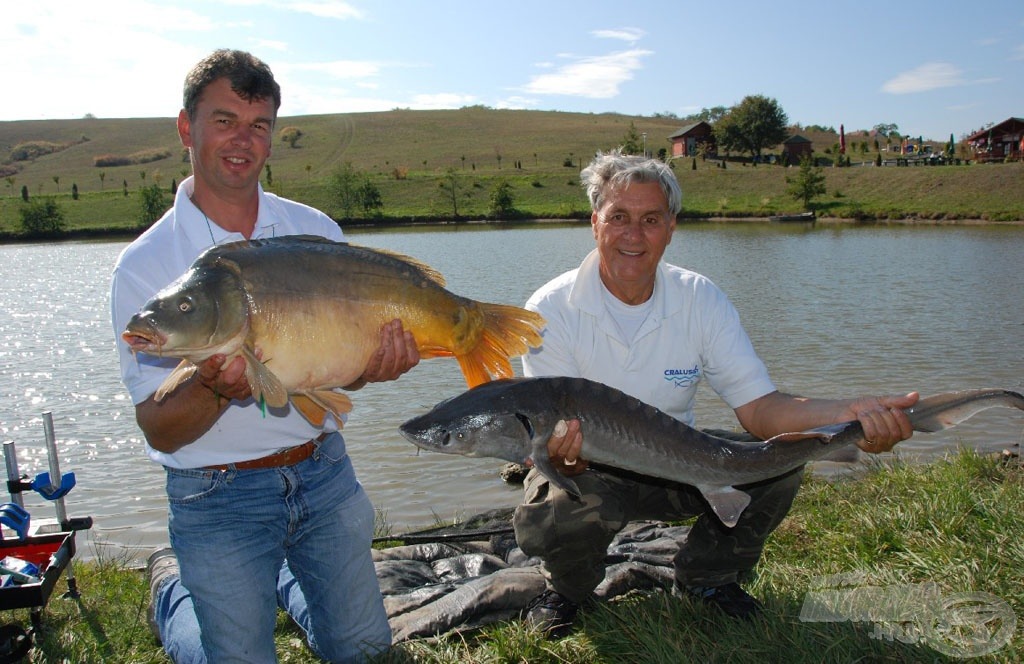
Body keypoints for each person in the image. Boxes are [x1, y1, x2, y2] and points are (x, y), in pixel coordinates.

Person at [514, 151, 918, 637]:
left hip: (681, 464)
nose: (633, 235)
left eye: (651, 219)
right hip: (590, 467)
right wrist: (566, 462)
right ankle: (568, 589)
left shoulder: (699, 297)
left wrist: (847, 418)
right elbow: (558, 446)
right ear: (594, 222)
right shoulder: (549, 309)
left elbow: (760, 409)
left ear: (672, 228)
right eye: (618, 217)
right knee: (562, 506)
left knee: (778, 462)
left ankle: (709, 577)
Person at [110, 49, 419, 663]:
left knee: (366, 654)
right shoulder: (145, 267)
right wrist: (215, 387)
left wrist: (373, 365)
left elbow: (339, 375)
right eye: (224, 121)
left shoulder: (316, 233)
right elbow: (161, 429)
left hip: (324, 473)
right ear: (185, 128)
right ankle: (176, 597)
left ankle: (287, 589)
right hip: (215, 496)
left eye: (258, 125)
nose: (242, 141)